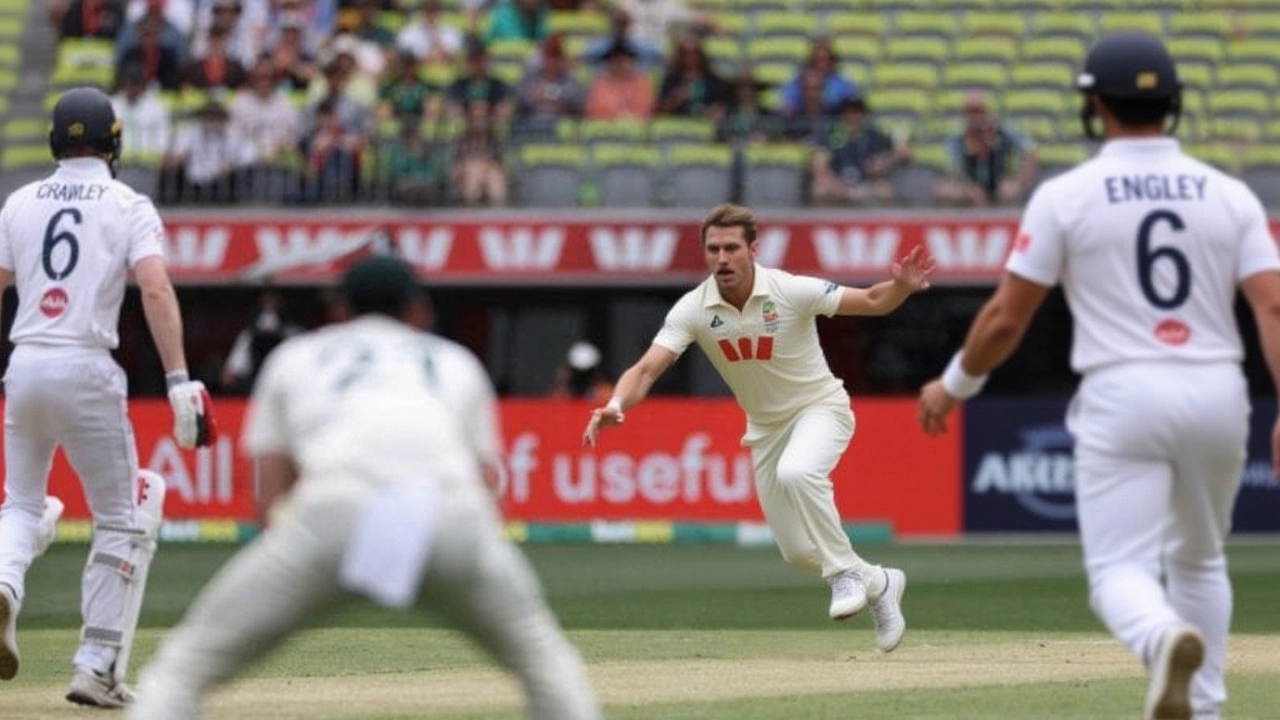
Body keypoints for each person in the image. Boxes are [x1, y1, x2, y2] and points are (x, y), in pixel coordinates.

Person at [917, 32, 1280, 720]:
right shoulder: (1229, 194)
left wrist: (955, 384)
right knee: (1201, 560)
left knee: (1119, 572)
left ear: (1094, 108)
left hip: (1123, 389)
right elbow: (1273, 305)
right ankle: (1204, 711)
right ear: (1171, 104)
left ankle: (1160, 636)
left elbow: (1004, 319)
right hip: (1217, 390)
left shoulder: (1068, 194)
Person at [127, 256, 602, 720]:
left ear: (339, 310)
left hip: (336, 510)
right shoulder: (454, 360)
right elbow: (487, 485)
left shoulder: (297, 356)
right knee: (548, 666)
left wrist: (298, 566)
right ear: (418, 311)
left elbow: (270, 491)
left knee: (181, 672)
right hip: (449, 511)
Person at [583, 204, 929, 650]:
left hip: (821, 409)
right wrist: (614, 402)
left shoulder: (789, 290)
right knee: (800, 553)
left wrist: (900, 287)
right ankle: (879, 582)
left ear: (753, 251)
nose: (722, 258)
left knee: (798, 472)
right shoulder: (693, 308)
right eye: (713, 249)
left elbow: (873, 301)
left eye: (731, 248)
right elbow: (648, 369)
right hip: (766, 431)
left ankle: (845, 576)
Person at [0, 86, 216, 708]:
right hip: (87, 366)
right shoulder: (128, 203)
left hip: (26, 365)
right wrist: (178, 380)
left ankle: (6, 585)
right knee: (121, 518)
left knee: (20, 503)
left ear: (53, 141)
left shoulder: (19, 201)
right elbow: (154, 289)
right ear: (114, 142)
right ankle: (95, 667)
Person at [934, 90, 1039, 207]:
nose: (975, 117)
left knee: (1008, 191)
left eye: (979, 112)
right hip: (970, 182)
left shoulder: (1003, 131)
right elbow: (954, 169)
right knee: (946, 191)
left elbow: (1030, 151)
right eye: (970, 112)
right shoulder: (958, 137)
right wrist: (967, 187)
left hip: (1000, 180)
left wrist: (1019, 182)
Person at [810, 96, 909, 206]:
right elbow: (820, 169)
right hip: (838, 183)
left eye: (857, 112)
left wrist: (884, 161)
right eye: (848, 113)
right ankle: (823, 221)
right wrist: (845, 191)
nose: (853, 117)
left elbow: (902, 153)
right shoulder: (829, 135)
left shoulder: (873, 136)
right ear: (841, 115)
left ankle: (882, 221)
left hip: (866, 184)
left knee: (884, 189)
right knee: (820, 188)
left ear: (864, 115)